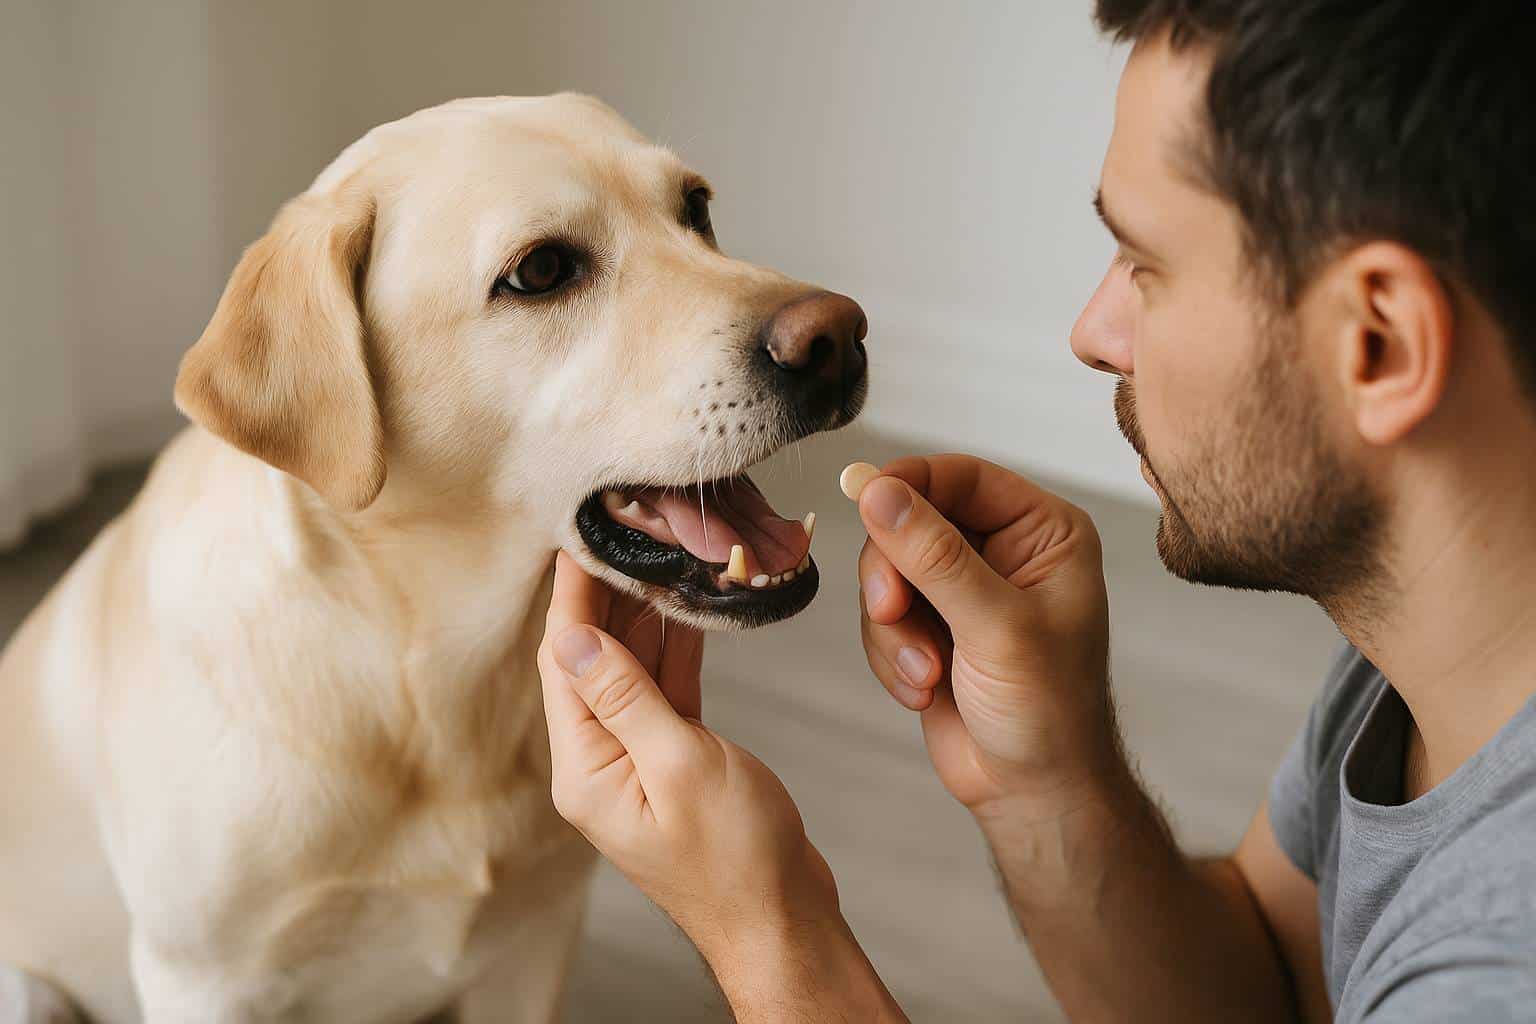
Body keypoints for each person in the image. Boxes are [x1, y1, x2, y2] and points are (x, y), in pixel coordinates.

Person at [536, 0, 1536, 1020]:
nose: (1092, 333)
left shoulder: (1501, 968)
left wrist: (766, 929)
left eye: (1146, 267)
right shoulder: (1437, 661)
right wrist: (1050, 775)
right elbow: (1268, 990)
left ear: (1382, 344)